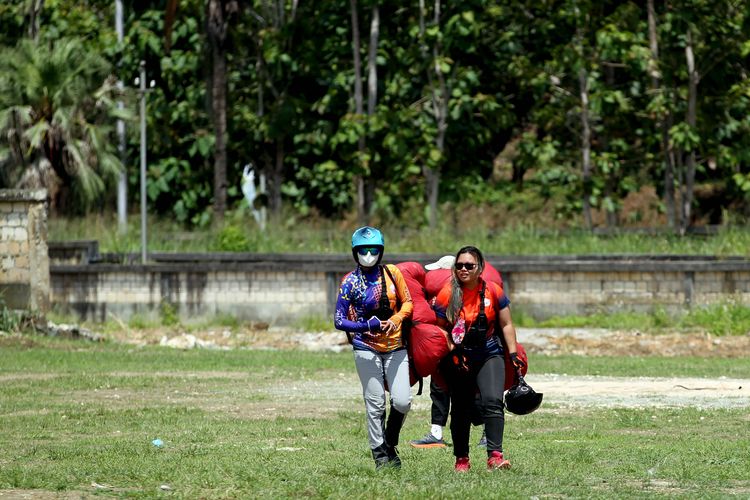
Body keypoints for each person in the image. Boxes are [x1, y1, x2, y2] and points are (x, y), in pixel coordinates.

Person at [433, 246, 525, 472]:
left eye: (469, 266)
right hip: (458, 356)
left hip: (488, 352)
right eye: (459, 265)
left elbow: (506, 324)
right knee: (461, 407)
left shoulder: (493, 291)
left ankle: (495, 456)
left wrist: (513, 354)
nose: (463, 269)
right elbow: (439, 328)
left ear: (480, 268)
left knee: (493, 401)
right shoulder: (447, 293)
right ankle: (461, 459)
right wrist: (452, 349)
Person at [333, 226, 414, 469]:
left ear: (381, 251)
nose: (368, 255)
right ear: (354, 252)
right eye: (363, 250)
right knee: (376, 402)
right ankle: (380, 455)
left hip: (396, 346)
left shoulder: (392, 274)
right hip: (365, 348)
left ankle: (390, 441)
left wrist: (396, 320)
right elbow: (338, 320)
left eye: (373, 250)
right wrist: (364, 325)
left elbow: (408, 303)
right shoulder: (350, 282)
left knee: (402, 401)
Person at [410, 255, 486, 450]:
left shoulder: (463, 292)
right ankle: (436, 433)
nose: (432, 275)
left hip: (461, 349)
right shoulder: (435, 294)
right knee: (438, 388)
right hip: (441, 347)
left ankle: (488, 429)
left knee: (468, 392)